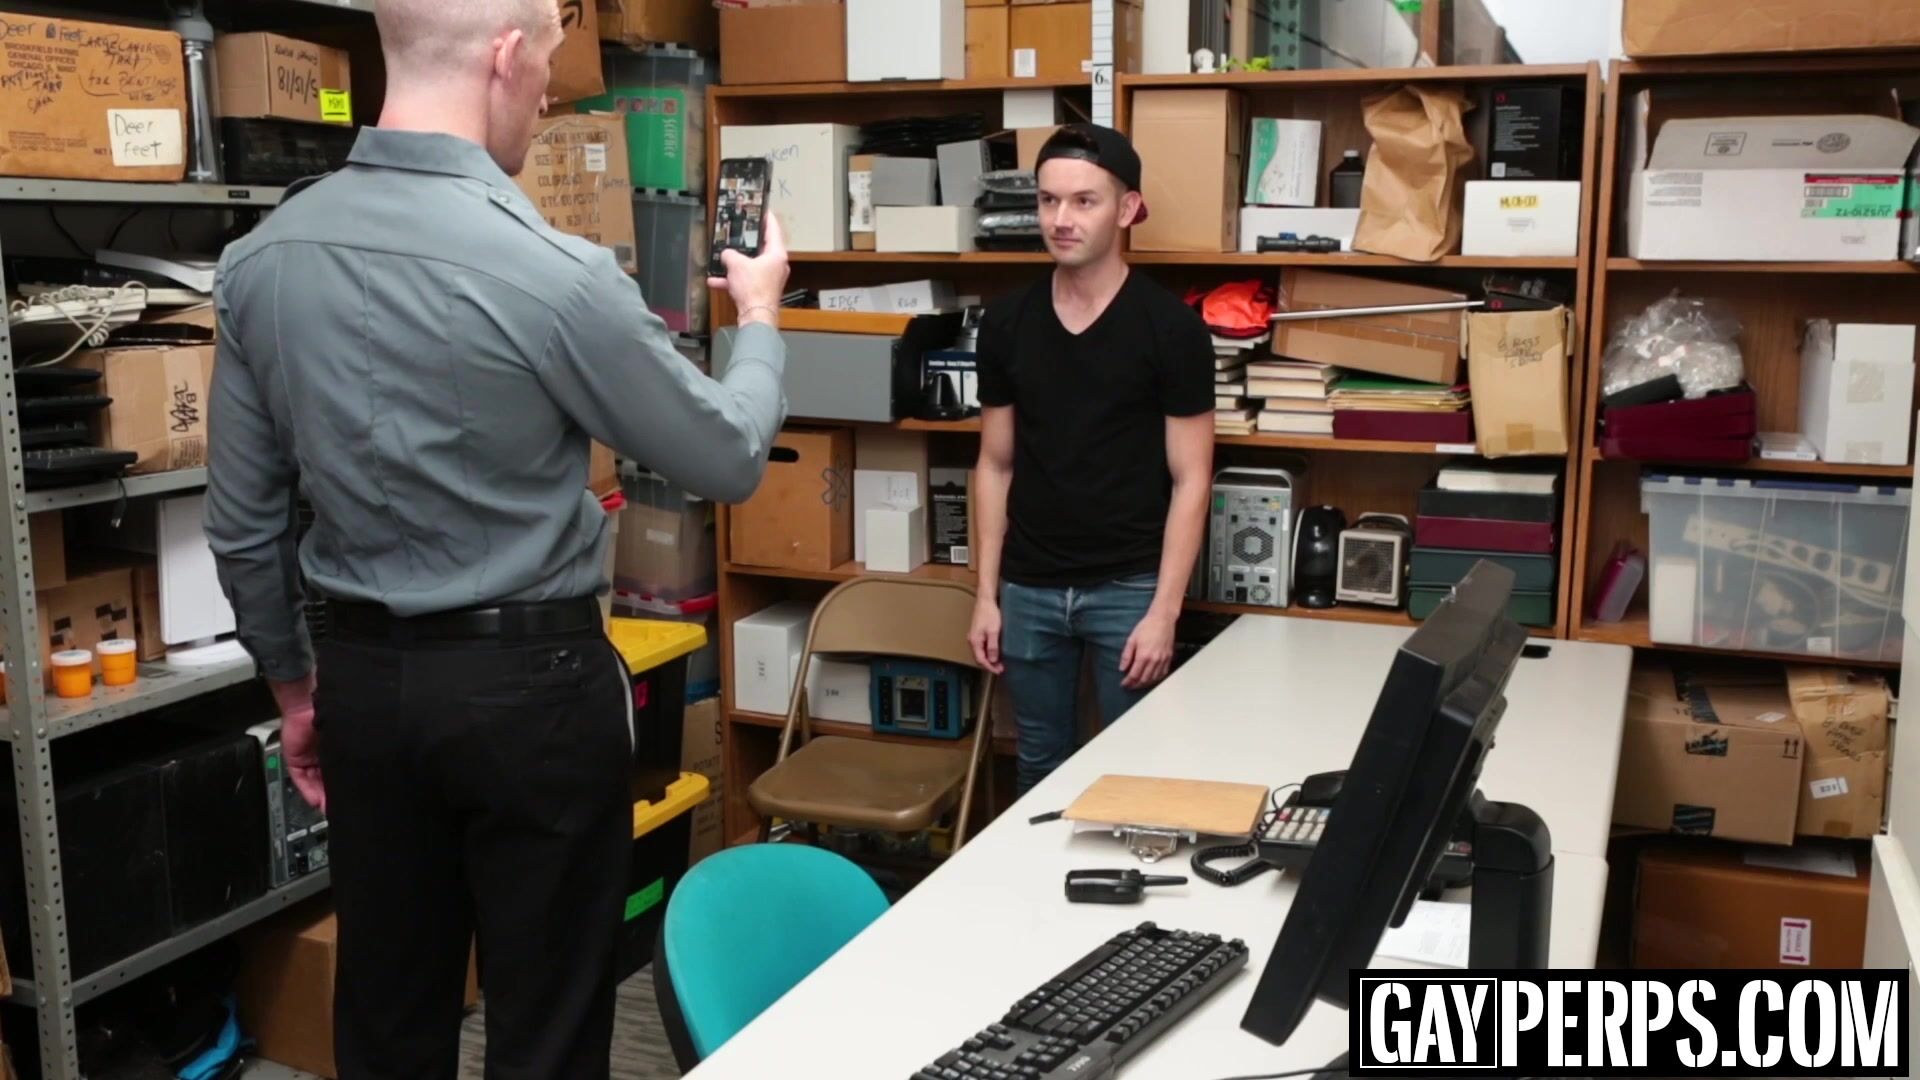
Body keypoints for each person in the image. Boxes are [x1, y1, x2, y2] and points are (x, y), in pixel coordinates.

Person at [202, 0, 790, 1075]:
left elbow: (243, 525)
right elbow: (730, 455)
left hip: (361, 686)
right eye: (551, 66)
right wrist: (758, 316)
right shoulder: (557, 275)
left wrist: (295, 691)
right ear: (506, 56)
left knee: (387, 1019)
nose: (552, 94)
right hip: (534, 695)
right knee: (546, 1028)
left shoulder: (259, 262)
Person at [967, 125, 1215, 796]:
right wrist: (986, 596)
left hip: (1129, 589)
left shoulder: (1172, 330)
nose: (1061, 219)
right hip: (1029, 587)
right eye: (1048, 201)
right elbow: (994, 465)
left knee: (1134, 775)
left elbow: (1192, 479)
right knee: (1038, 766)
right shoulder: (1007, 324)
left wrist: (1163, 612)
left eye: (1084, 201)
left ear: (1128, 209)